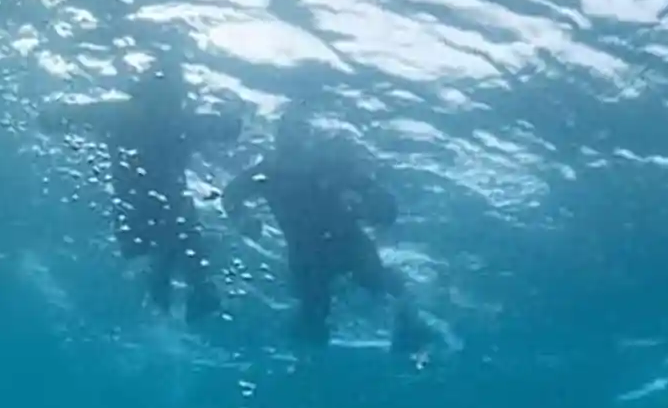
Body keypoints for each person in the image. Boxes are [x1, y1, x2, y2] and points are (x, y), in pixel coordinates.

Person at [38, 53, 241, 324]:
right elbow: (228, 129)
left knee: (167, 268)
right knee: (184, 266)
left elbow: (57, 120)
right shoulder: (173, 119)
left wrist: (56, 115)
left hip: (136, 210)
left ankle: (168, 308)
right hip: (167, 210)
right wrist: (230, 112)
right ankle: (176, 303)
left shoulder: (121, 114)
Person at [220, 106, 430, 354]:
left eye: (300, 133)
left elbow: (385, 205)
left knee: (376, 284)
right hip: (310, 255)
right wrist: (243, 218)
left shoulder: (325, 165)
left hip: (345, 244)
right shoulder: (268, 172)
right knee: (315, 311)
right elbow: (230, 196)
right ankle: (307, 364)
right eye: (289, 134)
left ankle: (412, 326)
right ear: (279, 139)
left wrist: (368, 210)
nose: (294, 142)